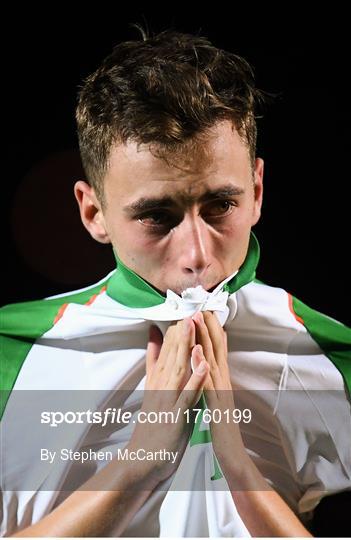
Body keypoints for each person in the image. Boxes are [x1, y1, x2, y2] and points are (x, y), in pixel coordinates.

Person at [1, 29, 350, 537]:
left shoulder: (331, 359)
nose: (197, 256)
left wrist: (238, 465)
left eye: (220, 205)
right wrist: (138, 464)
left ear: (256, 191)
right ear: (93, 212)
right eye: (157, 217)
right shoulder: (10, 356)